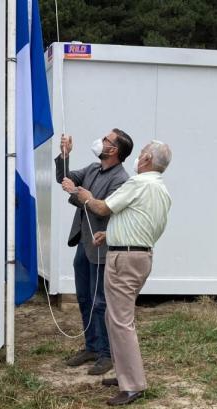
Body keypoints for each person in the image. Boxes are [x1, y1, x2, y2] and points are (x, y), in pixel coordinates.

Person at [72, 141, 173, 406]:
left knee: (120, 320)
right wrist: (111, 234)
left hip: (124, 259)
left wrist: (86, 197)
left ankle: (132, 385)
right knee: (115, 317)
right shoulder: (160, 188)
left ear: (147, 158)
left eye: (141, 154)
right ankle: (124, 374)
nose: (137, 158)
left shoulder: (138, 183)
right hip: (140, 255)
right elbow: (143, 222)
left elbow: (103, 208)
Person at [55, 129, 133, 376]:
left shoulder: (121, 180)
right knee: (84, 298)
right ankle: (91, 347)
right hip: (84, 243)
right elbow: (65, 178)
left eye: (106, 139)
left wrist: (77, 193)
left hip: (101, 246)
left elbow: (102, 208)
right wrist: (64, 155)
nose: (101, 141)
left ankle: (106, 354)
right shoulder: (92, 169)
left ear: (114, 150)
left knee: (100, 302)